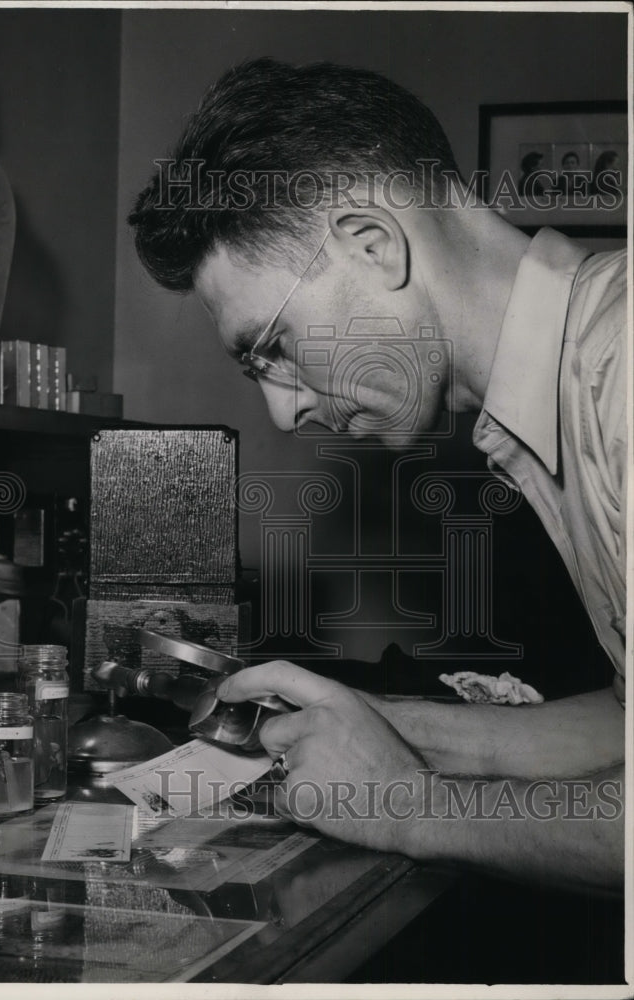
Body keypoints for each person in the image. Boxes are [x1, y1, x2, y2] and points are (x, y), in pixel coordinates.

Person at [129, 59, 626, 891]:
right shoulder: (557, 394)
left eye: (270, 350)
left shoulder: (622, 366)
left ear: (372, 245)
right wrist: (388, 728)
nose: (285, 415)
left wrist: (407, 802)